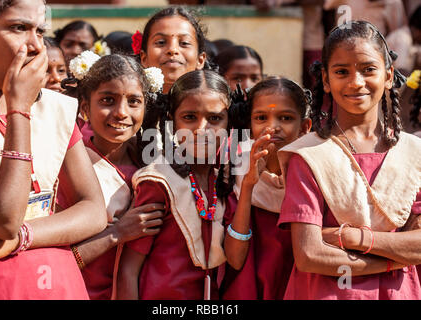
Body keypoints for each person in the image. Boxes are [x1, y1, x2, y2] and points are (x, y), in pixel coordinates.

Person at [0, 0, 107, 299]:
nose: (34, 46)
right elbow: (4, 219)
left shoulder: (52, 107)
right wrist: (19, 108)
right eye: (18, 28)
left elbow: (94, 210)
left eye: (39, 31)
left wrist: (23, 237)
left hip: (59, 287)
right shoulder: (24, 104)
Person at [277, 21, 421, 300]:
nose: (356, 82)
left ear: (389, 75)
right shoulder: (309, 154)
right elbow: (309, 255)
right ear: (326, 81)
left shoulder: (414, 153)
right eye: (342, 72)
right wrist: (394, 260)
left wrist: (355, 239)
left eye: (368, 69)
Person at [115, 70, 237, 300]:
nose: (201, 129)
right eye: (190, 117)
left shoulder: (225, 178)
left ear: (230, 122)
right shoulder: (158, 181)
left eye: (214, 118)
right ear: (171, 120)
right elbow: (129, 269)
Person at [57, 52, 165, 300]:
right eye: (108, 100)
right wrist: (117, 233)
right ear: (85, 107)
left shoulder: (152, 162)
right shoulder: (66, 165)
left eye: (134, 102)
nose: (121, 113)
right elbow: (55, 260)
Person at [221, 77, 312, 300]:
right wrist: (249, 185)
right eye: (261, 118)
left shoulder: (314, 174)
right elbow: (234, 259)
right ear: (250, 127)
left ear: (304, 128)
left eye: (286, 118)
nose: (273, 127)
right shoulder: (234, 169)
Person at [136, 6, 208, 94]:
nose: (172, 50)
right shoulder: (130, 104)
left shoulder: (213, 104)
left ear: (200, 60)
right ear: (144, 58)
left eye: (184, 43)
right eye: (161, 42)